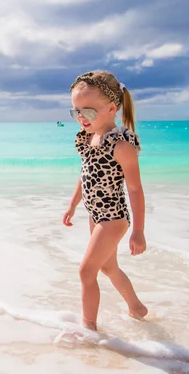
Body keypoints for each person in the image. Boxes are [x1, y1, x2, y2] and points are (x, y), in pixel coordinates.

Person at [62, 70, 148, 331]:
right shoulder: (89, 139)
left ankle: (88, 329)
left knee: (86, 271)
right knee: (108, 268)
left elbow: (135, 189)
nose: (81, 118)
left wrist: (139, 231)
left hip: (113, 218)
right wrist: (74, 203)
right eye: (76, 111)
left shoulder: (120, 145)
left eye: (88, 112)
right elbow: (85, 174)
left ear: (112, 108)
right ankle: (137, 307)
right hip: (95, 214)